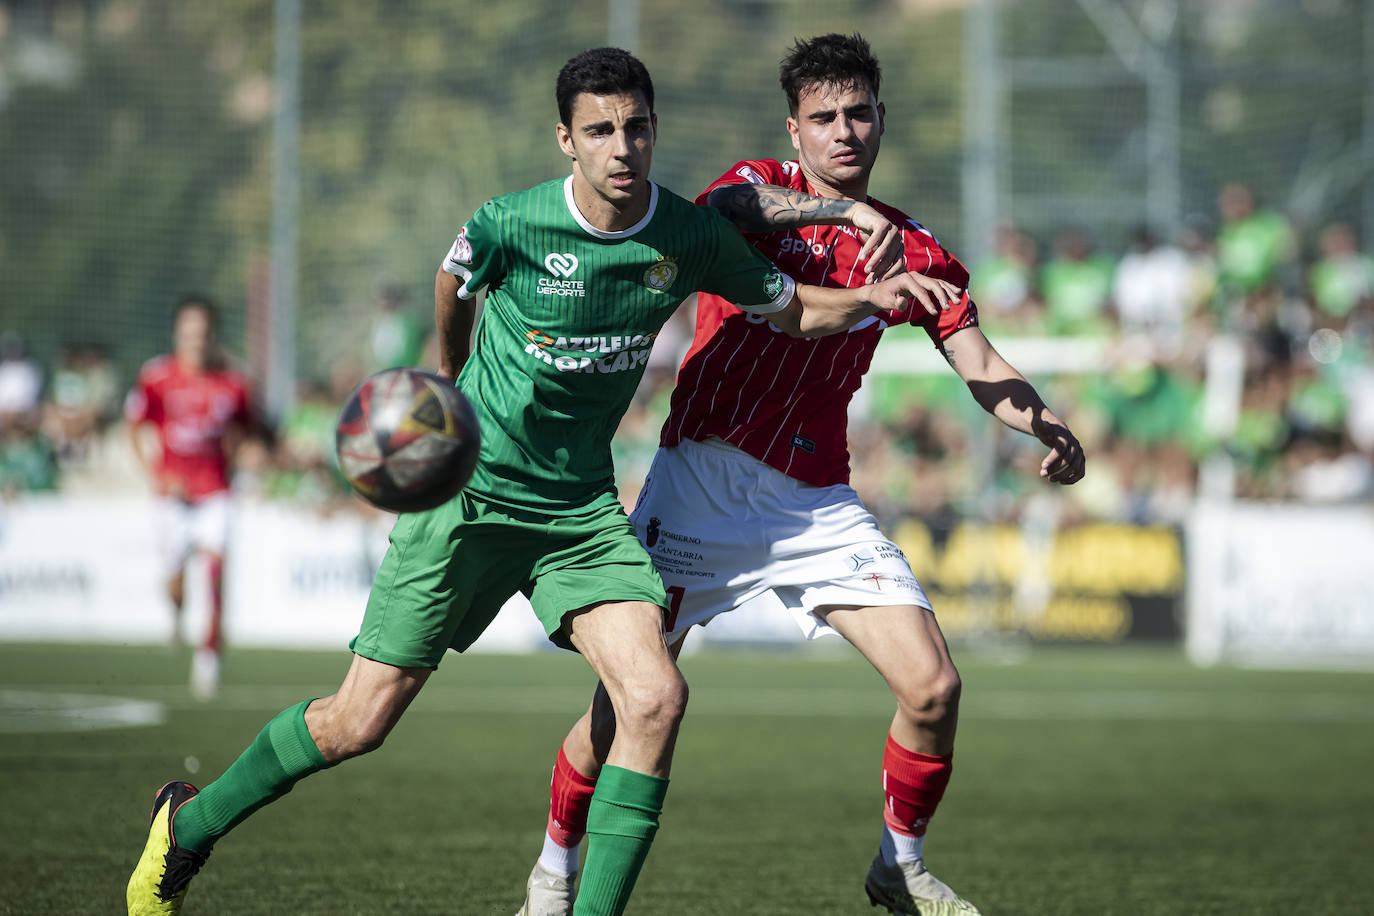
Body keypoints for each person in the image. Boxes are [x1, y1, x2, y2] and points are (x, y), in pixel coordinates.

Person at [126, 47, 955, 916]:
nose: (621, 147)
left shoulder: (689, 235)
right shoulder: (509, 223)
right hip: (471, 501)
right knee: (355, 725)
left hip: (579, 514)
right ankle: (189, 825)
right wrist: (448, 387)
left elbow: (793, 308)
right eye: (599, 130)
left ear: (654, 131)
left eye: (635, 128)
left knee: (654, 695)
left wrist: (876, 295)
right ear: (567, 139)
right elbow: (452, 280)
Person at [516, 34, 1085, 916]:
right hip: (697, 484)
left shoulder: (915, 249)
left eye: (858, 113)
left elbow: (978, 359)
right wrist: (834, 221)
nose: (844, 131)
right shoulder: (751, 194)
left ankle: (898, 863)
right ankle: (554, 866)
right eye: (824, 117)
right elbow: (730, 208)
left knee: (933, 688)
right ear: (795, 129)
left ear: (881, 120)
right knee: (626, 706)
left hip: (814, 502)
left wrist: (1039, 420)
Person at [125, 296, 253, 700]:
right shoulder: (156, 377)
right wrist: (157, 474)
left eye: (204, 331)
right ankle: (177, 615)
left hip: (215, 491)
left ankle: (208, 661)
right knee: (176, 581)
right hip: (172, 497)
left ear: (213, 335)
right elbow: (135, 427)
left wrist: (244, 459)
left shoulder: (232, 382)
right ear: (178, 333)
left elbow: (246, 432)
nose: (197, 339)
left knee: (215, 571)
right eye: (190, 331)